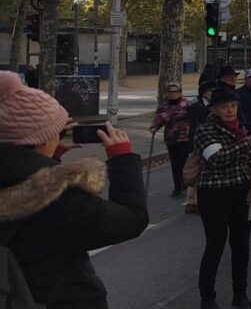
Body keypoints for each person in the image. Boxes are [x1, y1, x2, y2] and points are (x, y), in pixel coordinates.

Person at [0, 71, 148, 309]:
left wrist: (46, 161)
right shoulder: (58, 198)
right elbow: (131, 220)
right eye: (56, 131)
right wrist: (123, 158)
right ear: (40, 139)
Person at [192, 88, 251, 309]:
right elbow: (216, 158)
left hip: (240, 192)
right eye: (225, 107)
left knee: (241, 246)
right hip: (214, 193)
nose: (230, 110)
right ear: (214, 109)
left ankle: (240, 293)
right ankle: (208, 297)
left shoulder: (242, 130)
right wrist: (247, 142)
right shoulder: (205, 131)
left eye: (233, 106)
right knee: (215, 245)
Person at [185, 80, 220, 215]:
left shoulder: (210, 106)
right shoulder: (197, 107)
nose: (213, 94)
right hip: (199, 142)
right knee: (197, 171)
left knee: (198, 170)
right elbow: (196, 126)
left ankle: (192, 201)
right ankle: (194, 202)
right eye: (211, 91)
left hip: (205, 141)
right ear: (205, 93)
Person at [152, 81, 191, 198]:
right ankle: (177, 187)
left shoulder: (186, 104)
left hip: (184, 138)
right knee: (175, 164)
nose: (173, 94)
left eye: (176, 91)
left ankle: (183, 183)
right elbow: (159, 120)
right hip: (171, 139)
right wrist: (154, 127)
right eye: (171, 92)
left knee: (182, 162)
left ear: (180, 92)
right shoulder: (164, 107)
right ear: (167, 93)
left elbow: (192, 118)